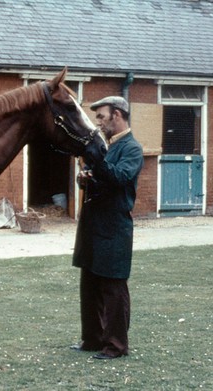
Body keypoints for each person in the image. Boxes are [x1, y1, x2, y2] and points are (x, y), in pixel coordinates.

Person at [71, 96, 144, 359]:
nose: (98, 123)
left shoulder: (132, 148)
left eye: (101, 117)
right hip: (94, 224)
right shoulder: (108, 146)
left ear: (117, 114)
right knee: (89, 283)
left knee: (113, 287)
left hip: (114, 227)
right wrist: (83, 177)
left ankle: (116, 345)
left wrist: (97, 165)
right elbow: (98, 175)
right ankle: (92, 339)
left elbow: (119, 177)